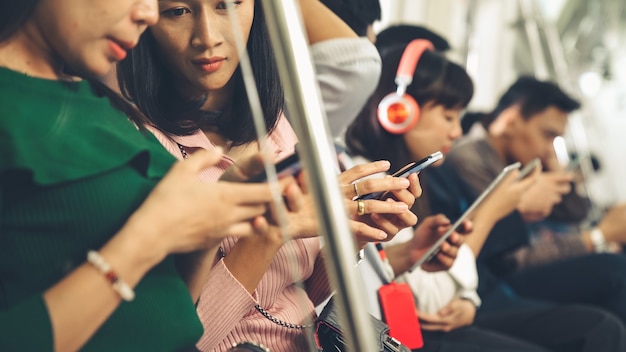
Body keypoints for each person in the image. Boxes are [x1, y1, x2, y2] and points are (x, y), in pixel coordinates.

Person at [116, 1, 463, 351]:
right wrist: (270, 233)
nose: (207, 37)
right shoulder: (138, 144)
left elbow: (298, 297)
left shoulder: (277, 124)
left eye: (228, 4)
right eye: (178, 10)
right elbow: (179, 339)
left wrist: (351, 235)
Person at [0, 0, 287, 351]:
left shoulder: (94, 99)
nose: (148, 13)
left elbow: (172, 306)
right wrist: (147, 238)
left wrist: (208, 224)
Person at [345, 40, 626, 351]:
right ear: (398, 111)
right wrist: (504, 211)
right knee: (604, 310)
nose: (456, 131)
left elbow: (424, 264)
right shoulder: (402, 177)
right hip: (448, 307)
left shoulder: (417, 175)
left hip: (467, 294)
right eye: (448, 117)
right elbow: (443, 277)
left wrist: (467, 297)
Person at [444, 76, 626, 323]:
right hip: (496, 280)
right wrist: (597, 237)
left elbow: (575, 211)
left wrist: (555, 170)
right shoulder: (470, 161)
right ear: (511, 121)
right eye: (548, 135)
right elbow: (511, 257)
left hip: (522, 265)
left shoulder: (522, 163)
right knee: (614, 271)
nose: (550, 148)